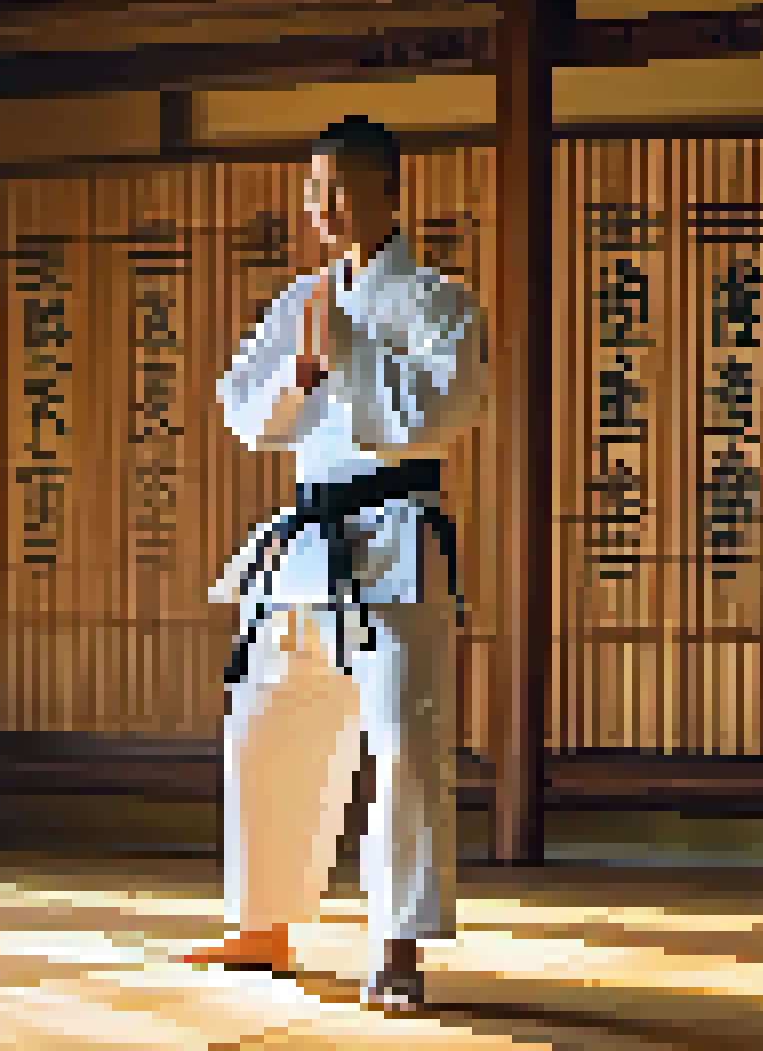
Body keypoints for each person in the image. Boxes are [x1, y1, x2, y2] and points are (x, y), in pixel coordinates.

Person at [174, 116, 488, 1014]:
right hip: (305, 543)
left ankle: (397, 942)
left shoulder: (440, 302)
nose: (324, 207)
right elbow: (245, 414)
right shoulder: (298, 299)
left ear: (392, 191)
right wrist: (301, 377)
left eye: (341, 188)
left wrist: (345, 356)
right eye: (314, 190)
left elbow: (438, 412)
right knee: (264, 716)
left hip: (393, 536)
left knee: (403, 742)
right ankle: (264, 921)